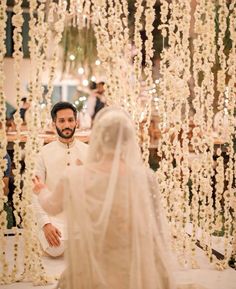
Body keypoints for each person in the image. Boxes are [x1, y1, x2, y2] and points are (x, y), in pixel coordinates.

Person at [33, 107, 176, 289]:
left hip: (92, 261)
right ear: (127, 140)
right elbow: (155, 227)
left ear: (98, 138)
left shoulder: (75, 175)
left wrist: (41, 190)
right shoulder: (146, 177)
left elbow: (50, 206)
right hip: (132, 261)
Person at [33, 101, 88, 257]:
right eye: (62, 121)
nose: (67, 125)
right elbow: (36, 191)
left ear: (76, 122)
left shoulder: (88, 151)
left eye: (70, 120)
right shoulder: (44, 153)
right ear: (54, 124)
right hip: (54, 218)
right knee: (55, 249)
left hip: (82, 219)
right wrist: (46, 224)